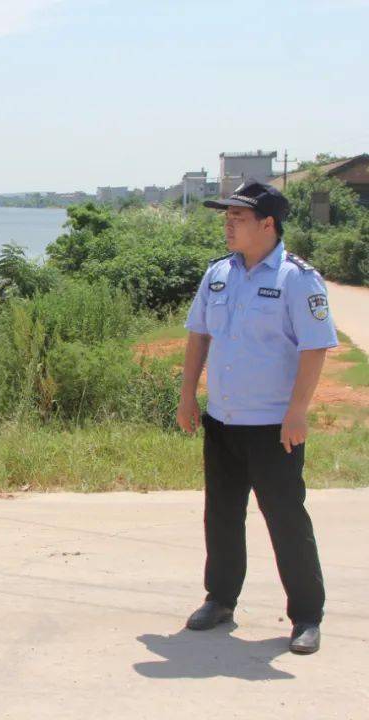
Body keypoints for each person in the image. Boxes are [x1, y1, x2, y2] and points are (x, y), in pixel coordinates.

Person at [177, 180, 337, 655]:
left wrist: (297, 411)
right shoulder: (219, 274)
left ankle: (307, 615)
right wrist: (188, 397)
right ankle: (220, 599)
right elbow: (198, 336)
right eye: (226, 217)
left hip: (273, 426)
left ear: (268, 224)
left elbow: (314, 347)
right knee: (222, 514)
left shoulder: (297, 278)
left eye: (238, 218)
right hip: (223, 420)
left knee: (285, 517)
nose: (228, 225)